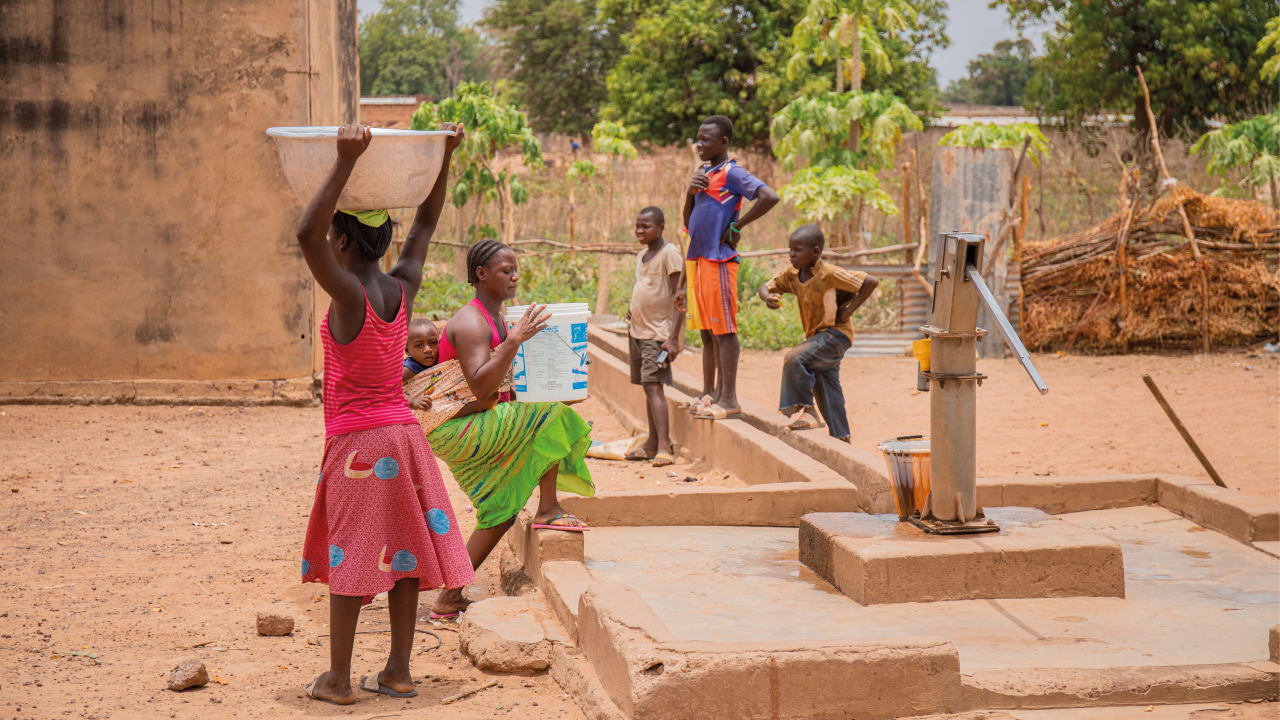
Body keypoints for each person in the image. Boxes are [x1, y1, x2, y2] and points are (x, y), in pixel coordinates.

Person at [296, 124, 474, 705]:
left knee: (350, 555)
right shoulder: (403, 289)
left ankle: (339, 680)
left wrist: (347, 160)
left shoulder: (348, 297)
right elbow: (426, 223)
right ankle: (398, 669)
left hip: (359, 446)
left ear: (342, 242)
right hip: (404, 438)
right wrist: (443, 158)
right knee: (403, 554)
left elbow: (305, 232)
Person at [426, 239, 595, 619]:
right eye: (506, 270)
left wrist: (565, 384)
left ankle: (448, 598)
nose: (514, 276)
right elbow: (482, 385)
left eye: (515, 269)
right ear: (481, 275)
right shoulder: (471, 322)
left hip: (472, 421)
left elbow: (507, 387)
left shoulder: (498, 319)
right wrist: (515, 339)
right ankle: (548, 507)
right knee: (549, 415)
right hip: (458, 428)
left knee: (501, 510)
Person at [682, 114, 779, 420]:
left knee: (725, 329)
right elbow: (688, 221)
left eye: (706, 139)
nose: (699, 144)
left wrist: (737, 227)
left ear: (723, 143)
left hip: (720, 259)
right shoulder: (703, 172)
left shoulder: (732, 173)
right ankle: (715, 395)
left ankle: (730, 399)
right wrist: (689, 192)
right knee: (709, 331)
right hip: (699, 257)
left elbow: (769, 196)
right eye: (698, 138)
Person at [757, 224, 879, 442]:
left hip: (836, 335)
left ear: (815, 251)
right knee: (827, 389)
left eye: (797, 250)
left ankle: (807, 409)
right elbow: (766, 287)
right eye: (790, 250)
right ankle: (841, 437)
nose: (792, 255)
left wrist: (848, 311)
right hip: (817, 338)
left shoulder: (829, 273)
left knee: (795, 358)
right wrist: (767, 298)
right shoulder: (792, 275)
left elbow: (870, 281)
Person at [625, 206, 684, 466]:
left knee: (654, 387)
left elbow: (680, 298)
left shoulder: (669, 254)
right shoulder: (642, 255)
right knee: (647, 388)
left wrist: (673, 337)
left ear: (661, 227)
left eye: (645, 226)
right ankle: (651, 444)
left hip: (657, 333)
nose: (639, 231)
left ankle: (664, 447)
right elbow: (647, 288)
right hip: (638, 330)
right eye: (637, 226)